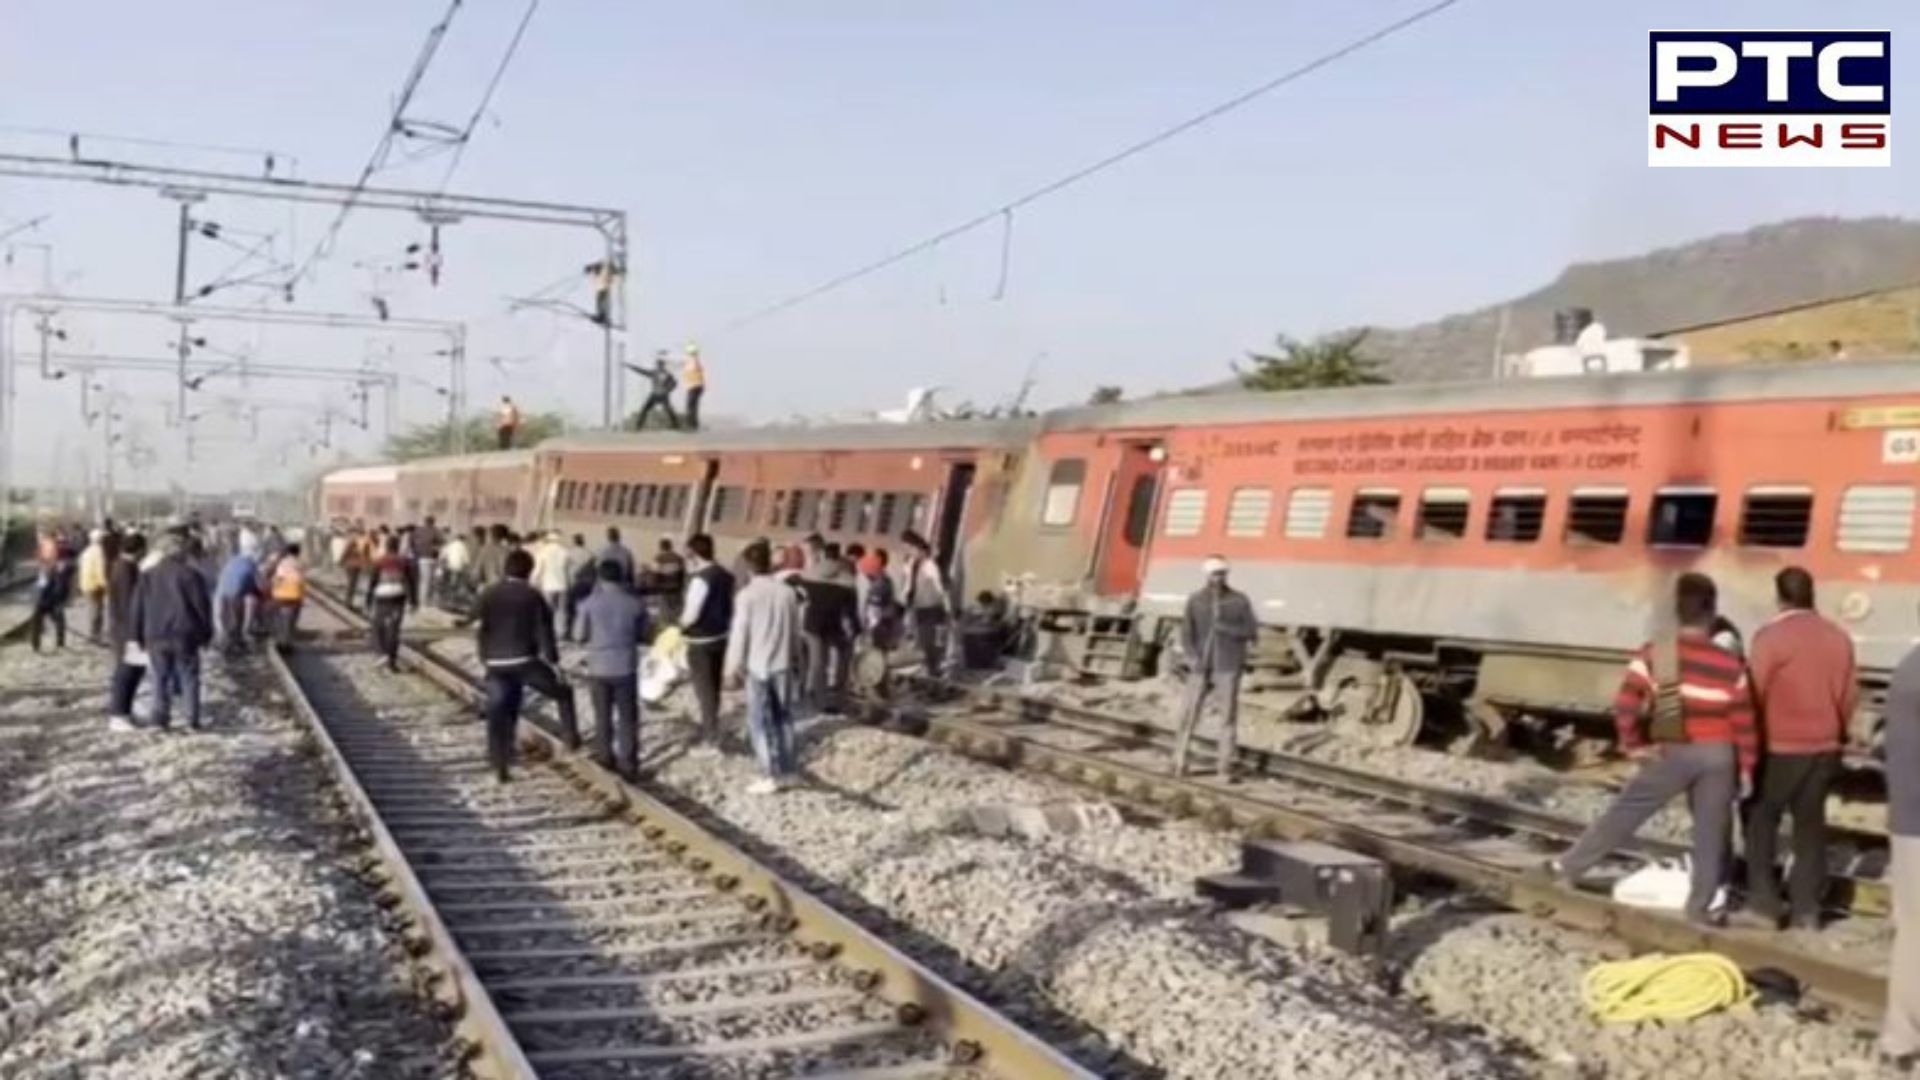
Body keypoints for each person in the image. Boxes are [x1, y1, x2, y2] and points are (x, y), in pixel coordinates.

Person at [1543, 573, 1758, 925]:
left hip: (1673, 747)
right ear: (1712, 613)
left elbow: (1627, 702)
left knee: (1627, 811)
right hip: (1720, 753)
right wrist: (1747, 767)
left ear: (1677, 611)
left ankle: (1567, 867)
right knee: (1712, 830)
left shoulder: (1661, 653)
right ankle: (1700, 906)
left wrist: (1634, 745)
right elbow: (1745, 721)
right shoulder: (1730, 664)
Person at [1737, 567, 1856, 930]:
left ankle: (1765, 904)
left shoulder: (1770, 638)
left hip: (1780, 747)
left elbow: (1751, 693)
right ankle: (1807, 910)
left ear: (1780, 597)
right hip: (1825, 747)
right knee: (1810, 826)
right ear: (1811, 594)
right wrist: (1837, 732)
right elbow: (1850, 696)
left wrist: (1744, 744)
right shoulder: (1839, 638)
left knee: (1760, 820)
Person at [475, 548, 580, 780]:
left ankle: (499, 761)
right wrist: (554, 662)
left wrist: (485, 656)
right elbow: (545, 631)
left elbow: (480, 625)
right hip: (525, 661)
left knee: (500, 709)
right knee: (563, 693)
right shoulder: (533, 596)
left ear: (506, 569)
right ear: (530, 571)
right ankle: (572, 740)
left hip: (495, 662)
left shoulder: (489, 593)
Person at [1170, 557, 1258, 779]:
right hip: (1201, 665)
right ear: (1206, 575)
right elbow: (1186, 632)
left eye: (1221, 574)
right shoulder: (1196, 600)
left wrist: (1225, 627)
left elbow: (1250, 631)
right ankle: (1179, 761)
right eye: (1214, 574)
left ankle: (1224, 767)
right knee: (1188, 714)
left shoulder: (1239, 600)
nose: (1218, 578)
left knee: (1227, 717)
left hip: (1228, 665)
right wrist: (1191, 656)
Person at [725, 541, 801, 793]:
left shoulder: (746, 596)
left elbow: (740, 634)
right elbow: (794, 629)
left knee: (759, 721)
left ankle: (770, 773)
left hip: (757, 666)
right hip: (783, 663)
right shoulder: (787, 593)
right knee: (784, 717)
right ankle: (790, 771)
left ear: (748, 566)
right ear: (769, 563)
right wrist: (795, 658)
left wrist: (731, 668)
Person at [130, 530, 215, 732]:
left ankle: (159, 719)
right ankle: (191, 719)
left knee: (160, 677)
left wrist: (136, 635)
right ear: (180, 552)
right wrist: (206, 633)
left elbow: (138, 607)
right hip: (184, 634)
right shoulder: (191, 575)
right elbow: (202, 607)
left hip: (155, 633)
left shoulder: (147, 576)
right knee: (189, 676)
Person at [1882, 625, 1920, 1069]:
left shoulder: (1908, 668)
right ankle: (1901, 1039)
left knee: (1913, 929)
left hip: (1909, 819)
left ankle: (1901, 1037)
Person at [576, 559, 652, 781]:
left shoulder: (589, 603)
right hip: (626, 666)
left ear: (600, 577)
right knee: (627, 717)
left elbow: (579, 634)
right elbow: (645, 634)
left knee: (602, 715)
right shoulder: (635, 604)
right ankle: (628, 764)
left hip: (598, 667)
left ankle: (605, 758)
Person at [679, 533, 735, 748]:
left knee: (704, 689)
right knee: (714, 685)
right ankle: (712, 725)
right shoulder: (725, 575)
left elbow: (692, 613)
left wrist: (679, 627)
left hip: (701, 640)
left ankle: (710, 733)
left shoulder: (701, 579)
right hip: (721, 636)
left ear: (694, 552)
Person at [799, 544, 860, 714]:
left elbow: (802, 599)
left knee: (817, 663)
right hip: (834, 624)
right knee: (844, 656)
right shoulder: (848, 580)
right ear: (838, 557)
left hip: (812, 623)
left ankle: (819, 699)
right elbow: (850, 611)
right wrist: (856, 629)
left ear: (824, 555)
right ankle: (840, 694)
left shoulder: (809, 575)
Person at [105, 533, 149, 732]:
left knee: (135, 671)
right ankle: (118, 714)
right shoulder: (125, 570)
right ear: (139, 550)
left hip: (126, 629)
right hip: (127, 631)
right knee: (126, 673)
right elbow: (127, 605)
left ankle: (126, 712)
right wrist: (134, 634)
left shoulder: (124, 567)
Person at [899, 531, 948, 677]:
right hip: (916, 605)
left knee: (928, 640)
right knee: (918, 639)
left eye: (910, 548)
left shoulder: (929, 565)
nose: (909, 551)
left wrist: (947, 605)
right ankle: (927, 667)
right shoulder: (911, 563)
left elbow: (940, 586)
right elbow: (908, 584)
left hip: (930, 606)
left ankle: (934, 669)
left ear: (918, 547)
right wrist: (903, 599)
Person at [366, 535, 418, 671]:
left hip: (382, 595)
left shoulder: (379, 561)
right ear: (398, 546)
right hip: (399, 596)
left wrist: (368, 600)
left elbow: (372, 582)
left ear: (387, 546)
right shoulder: (404, 562)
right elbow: (411, 582)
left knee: (378, 626)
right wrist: (413, 601)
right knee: (394, 630)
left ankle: (382, 653)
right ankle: (392, 662)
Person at [213, 534, 263, 656]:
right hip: (234, 595)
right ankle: (233, 645)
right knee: (236, 621)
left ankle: (224, 643)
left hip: (220, 594)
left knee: (225, 621)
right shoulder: (251, 565)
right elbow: (255, 584)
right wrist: (261, 596)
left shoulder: (233, 561)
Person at [30, 537, 76, 652]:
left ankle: (60, 642)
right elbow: (40, 584)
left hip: (52, 599)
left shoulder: (59, 567)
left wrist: (59, 598)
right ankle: (36, 644)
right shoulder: (45, 567)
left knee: (59, 620)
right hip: (43, 599)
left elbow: (62, 582)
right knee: (38, 621)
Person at [532, 531, 572, 633]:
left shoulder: (543, 551)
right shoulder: (565, 551)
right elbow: (568, 569)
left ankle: (548, 631)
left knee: (548, 610)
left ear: (548, 540)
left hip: (548, 585)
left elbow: (538, 569)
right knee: (562, 610)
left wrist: (533, 581)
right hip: (563, 584)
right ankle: (561, 632)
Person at [629, 350, 680, 431]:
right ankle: (638, 426)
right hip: (656, 395)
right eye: (659, 365)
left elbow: (675, 383)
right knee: (645, 410)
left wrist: (669, 389)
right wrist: (631, 366)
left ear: (662, 365)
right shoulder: (657, 373)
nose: (659, 366)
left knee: (668, 410)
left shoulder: (664, 373)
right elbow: (642, 371)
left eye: (660, 365)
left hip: (661, 395)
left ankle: (676, 426)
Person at [269, 542, 307, 650]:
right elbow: (301, 580)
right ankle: (288, 643)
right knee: (291, 621)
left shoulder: (281, 563)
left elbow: (277, 578)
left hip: (280, 595)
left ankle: (280, 641)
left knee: (280, 619)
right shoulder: (301, 563)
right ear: (298, 553)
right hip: (295, 596)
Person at [78, 528, 111, 643]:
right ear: (100, 539)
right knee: (97, 611)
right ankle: (95, 635)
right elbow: (100, 570)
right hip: (95, 585)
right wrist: (106, 585)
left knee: (92, 610)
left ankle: (94, 634)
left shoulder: (86, 551)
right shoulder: (98, 551)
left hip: (86, 583)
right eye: (103, 538)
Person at [563, 533, 595, 640]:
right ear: (583, 541)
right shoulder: (589, 554)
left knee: (570, 610)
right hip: (587, 584)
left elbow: (565, 569)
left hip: (573, 583)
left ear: (574, 541)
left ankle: (570, 632)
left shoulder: (569, 553)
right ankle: (584, 632)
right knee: (584, 609)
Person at [651, 538, 688, 616]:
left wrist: (655, 586)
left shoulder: (658, 558)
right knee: (676, 610)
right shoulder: (679, 558)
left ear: (661, 547)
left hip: (664, 588)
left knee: (664, 611)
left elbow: (655, 574)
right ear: (671, 546)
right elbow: (683, 573)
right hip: (676, 588)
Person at [341, 528, 371, 610]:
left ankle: (348, 602)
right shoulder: (365, 542)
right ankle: (348, 602)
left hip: (351, 565)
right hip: (356, 566)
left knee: (351, 584)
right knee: (352, 584)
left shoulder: (353, 541)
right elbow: (367, 555)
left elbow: (345, 552)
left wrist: (341, 562)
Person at [415, 516, 442, 606]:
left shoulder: (419, 531)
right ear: (433, 522)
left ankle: (421, 599)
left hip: (421, 558)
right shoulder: (435, 531)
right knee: (431, 581)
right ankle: (426, 600)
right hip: (431, 559)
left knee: (423, 580)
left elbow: (414, 542)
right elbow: (442, 541)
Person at [681, 343, 706, 432]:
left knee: (690, 406)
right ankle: (694, 424)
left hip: (693, 386)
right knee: (694, 406)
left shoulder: (692, 361)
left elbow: (687, 365)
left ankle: (690, 425)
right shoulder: (695, 360)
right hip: (698, 386)